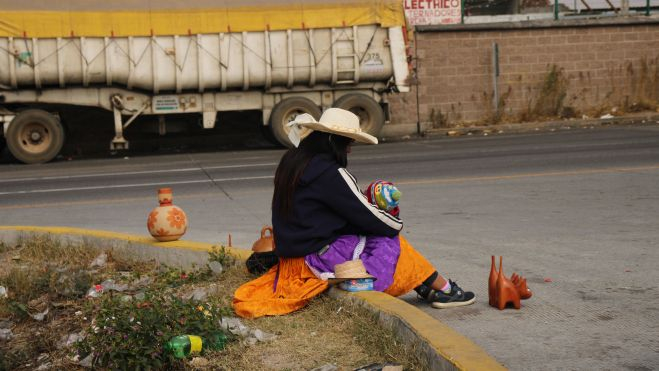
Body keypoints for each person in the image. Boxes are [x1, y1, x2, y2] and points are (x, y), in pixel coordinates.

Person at [232, 108, 474, 318]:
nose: (349, 150)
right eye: (347, 143)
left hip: (293, 259)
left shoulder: (293, 162)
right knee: (391, 243)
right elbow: (372, 218)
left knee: (372, 242)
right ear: (332, 142)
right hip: (314, 259)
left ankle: (425, 285)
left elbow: (334, 211)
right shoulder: (331, 173)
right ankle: (444, 290)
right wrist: (393, 219)